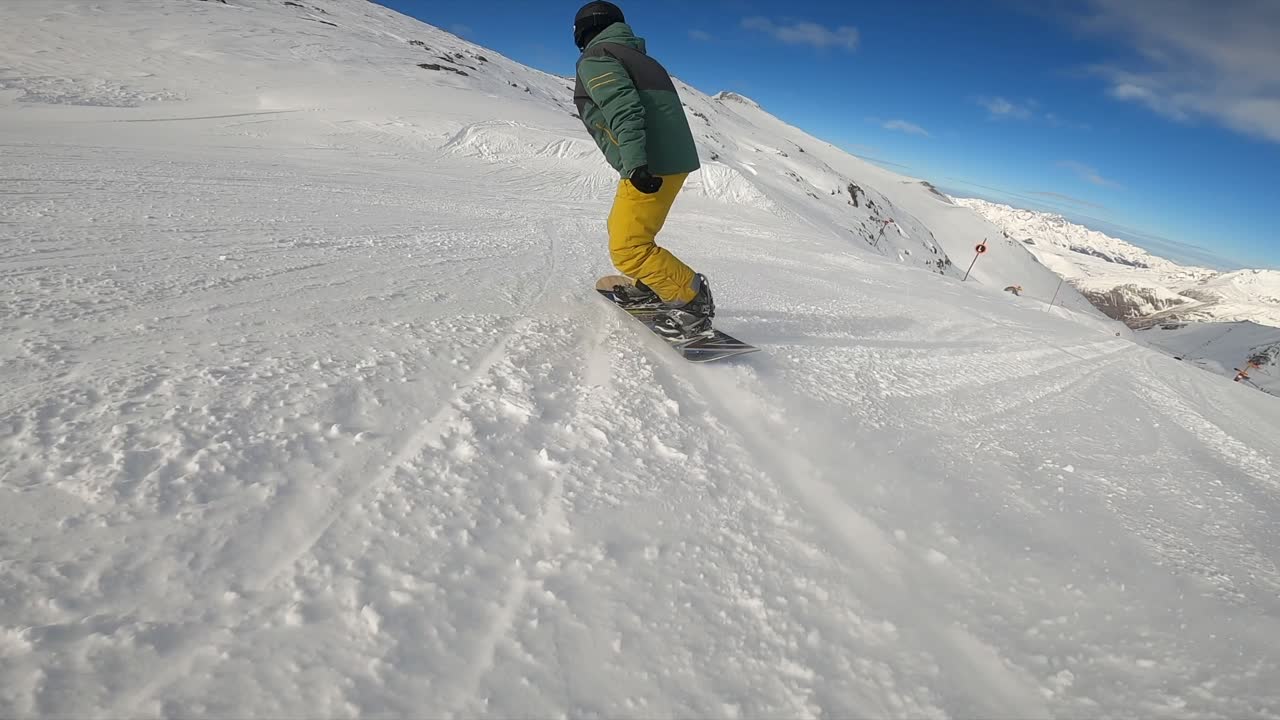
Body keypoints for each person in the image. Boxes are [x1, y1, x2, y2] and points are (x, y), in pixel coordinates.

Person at [571, 1, 714, 337]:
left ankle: (692, 299)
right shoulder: (638, 57)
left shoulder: (598, 58)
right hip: (668, 160)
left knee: (628, 247)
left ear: (584, 28)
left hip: (650, 163)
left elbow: (625, 110)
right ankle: (654, 285)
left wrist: (635, 163)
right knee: (630, 229)